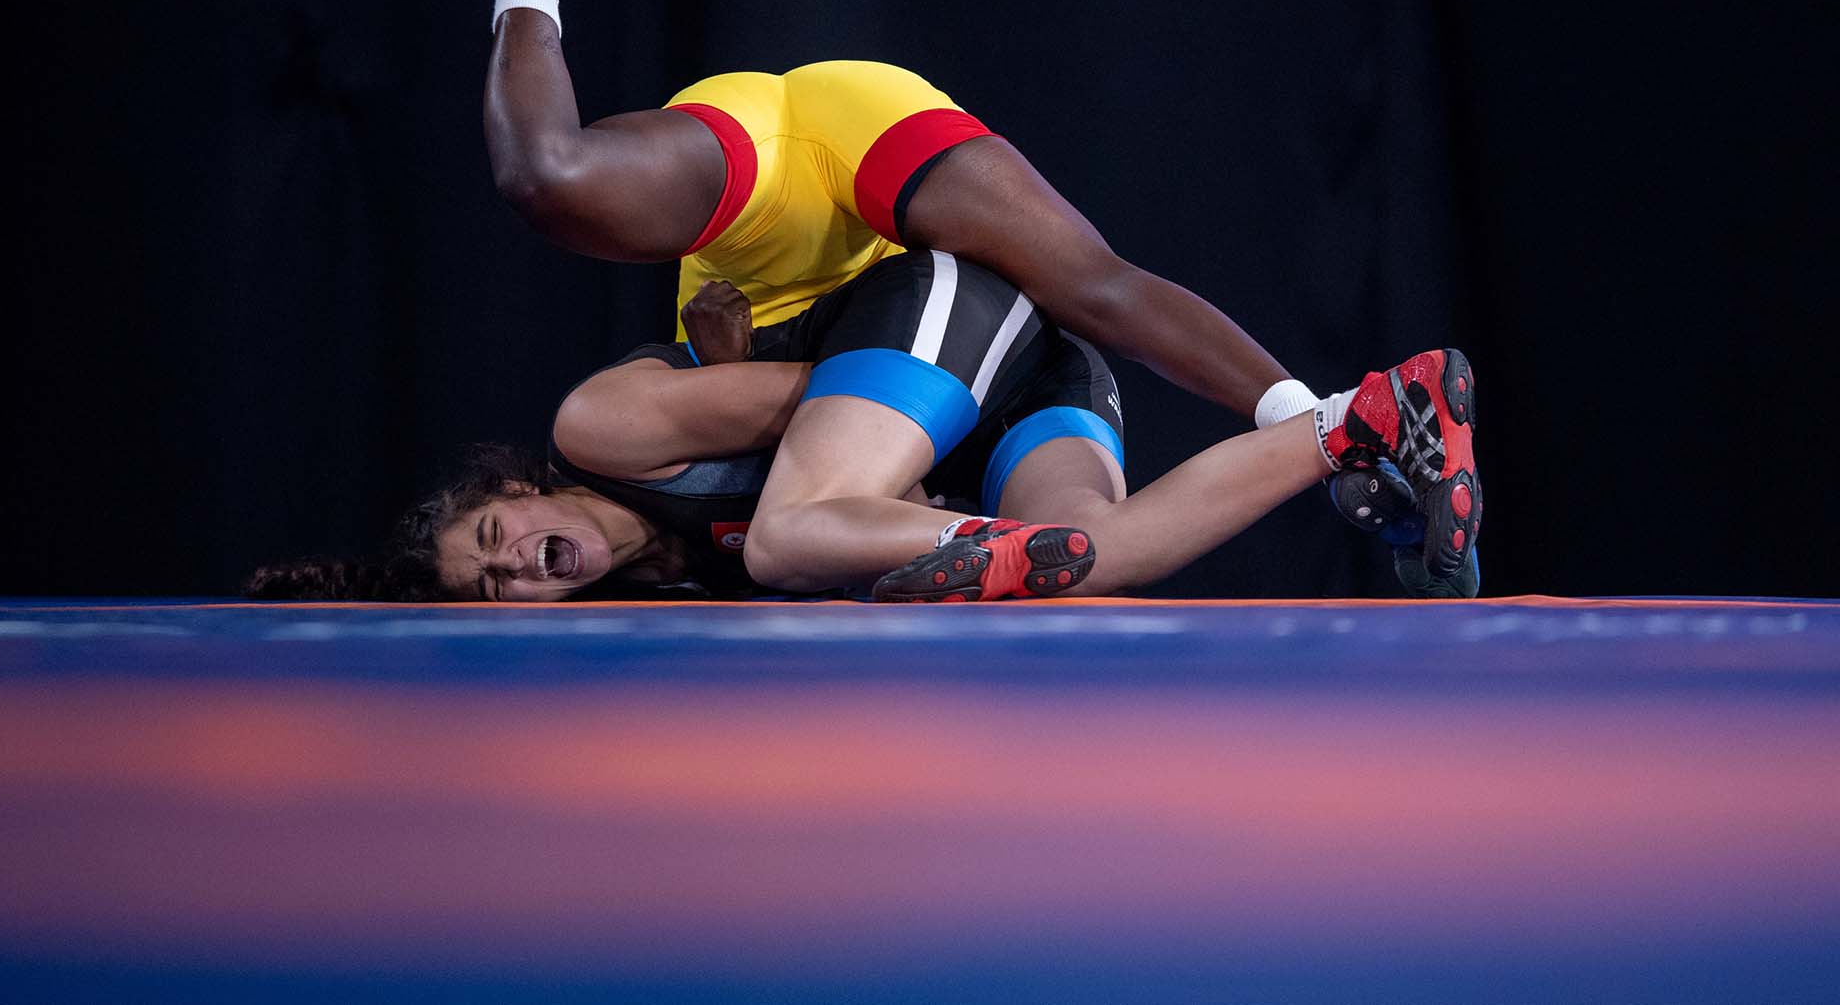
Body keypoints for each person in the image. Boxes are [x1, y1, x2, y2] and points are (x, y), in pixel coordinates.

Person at [388, 0, 1366, 448]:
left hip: (818, 149)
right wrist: (724, 370)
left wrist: (1320, 434)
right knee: (546, 191)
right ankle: (1324, 432)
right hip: (785, 290)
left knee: (1090, 285)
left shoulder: (627, 428)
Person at [249, 252, 1480, 604]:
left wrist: (879, 497)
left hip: (959, 314)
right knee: (1104, 559)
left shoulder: (608, 427)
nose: (514, 565)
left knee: (790, 538)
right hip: (1028, 388)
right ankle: (1372, 415)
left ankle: (975, 557)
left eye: (491, 539)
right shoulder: (678, 576)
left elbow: (831, 390)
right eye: (493, 591)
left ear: (508, 485)